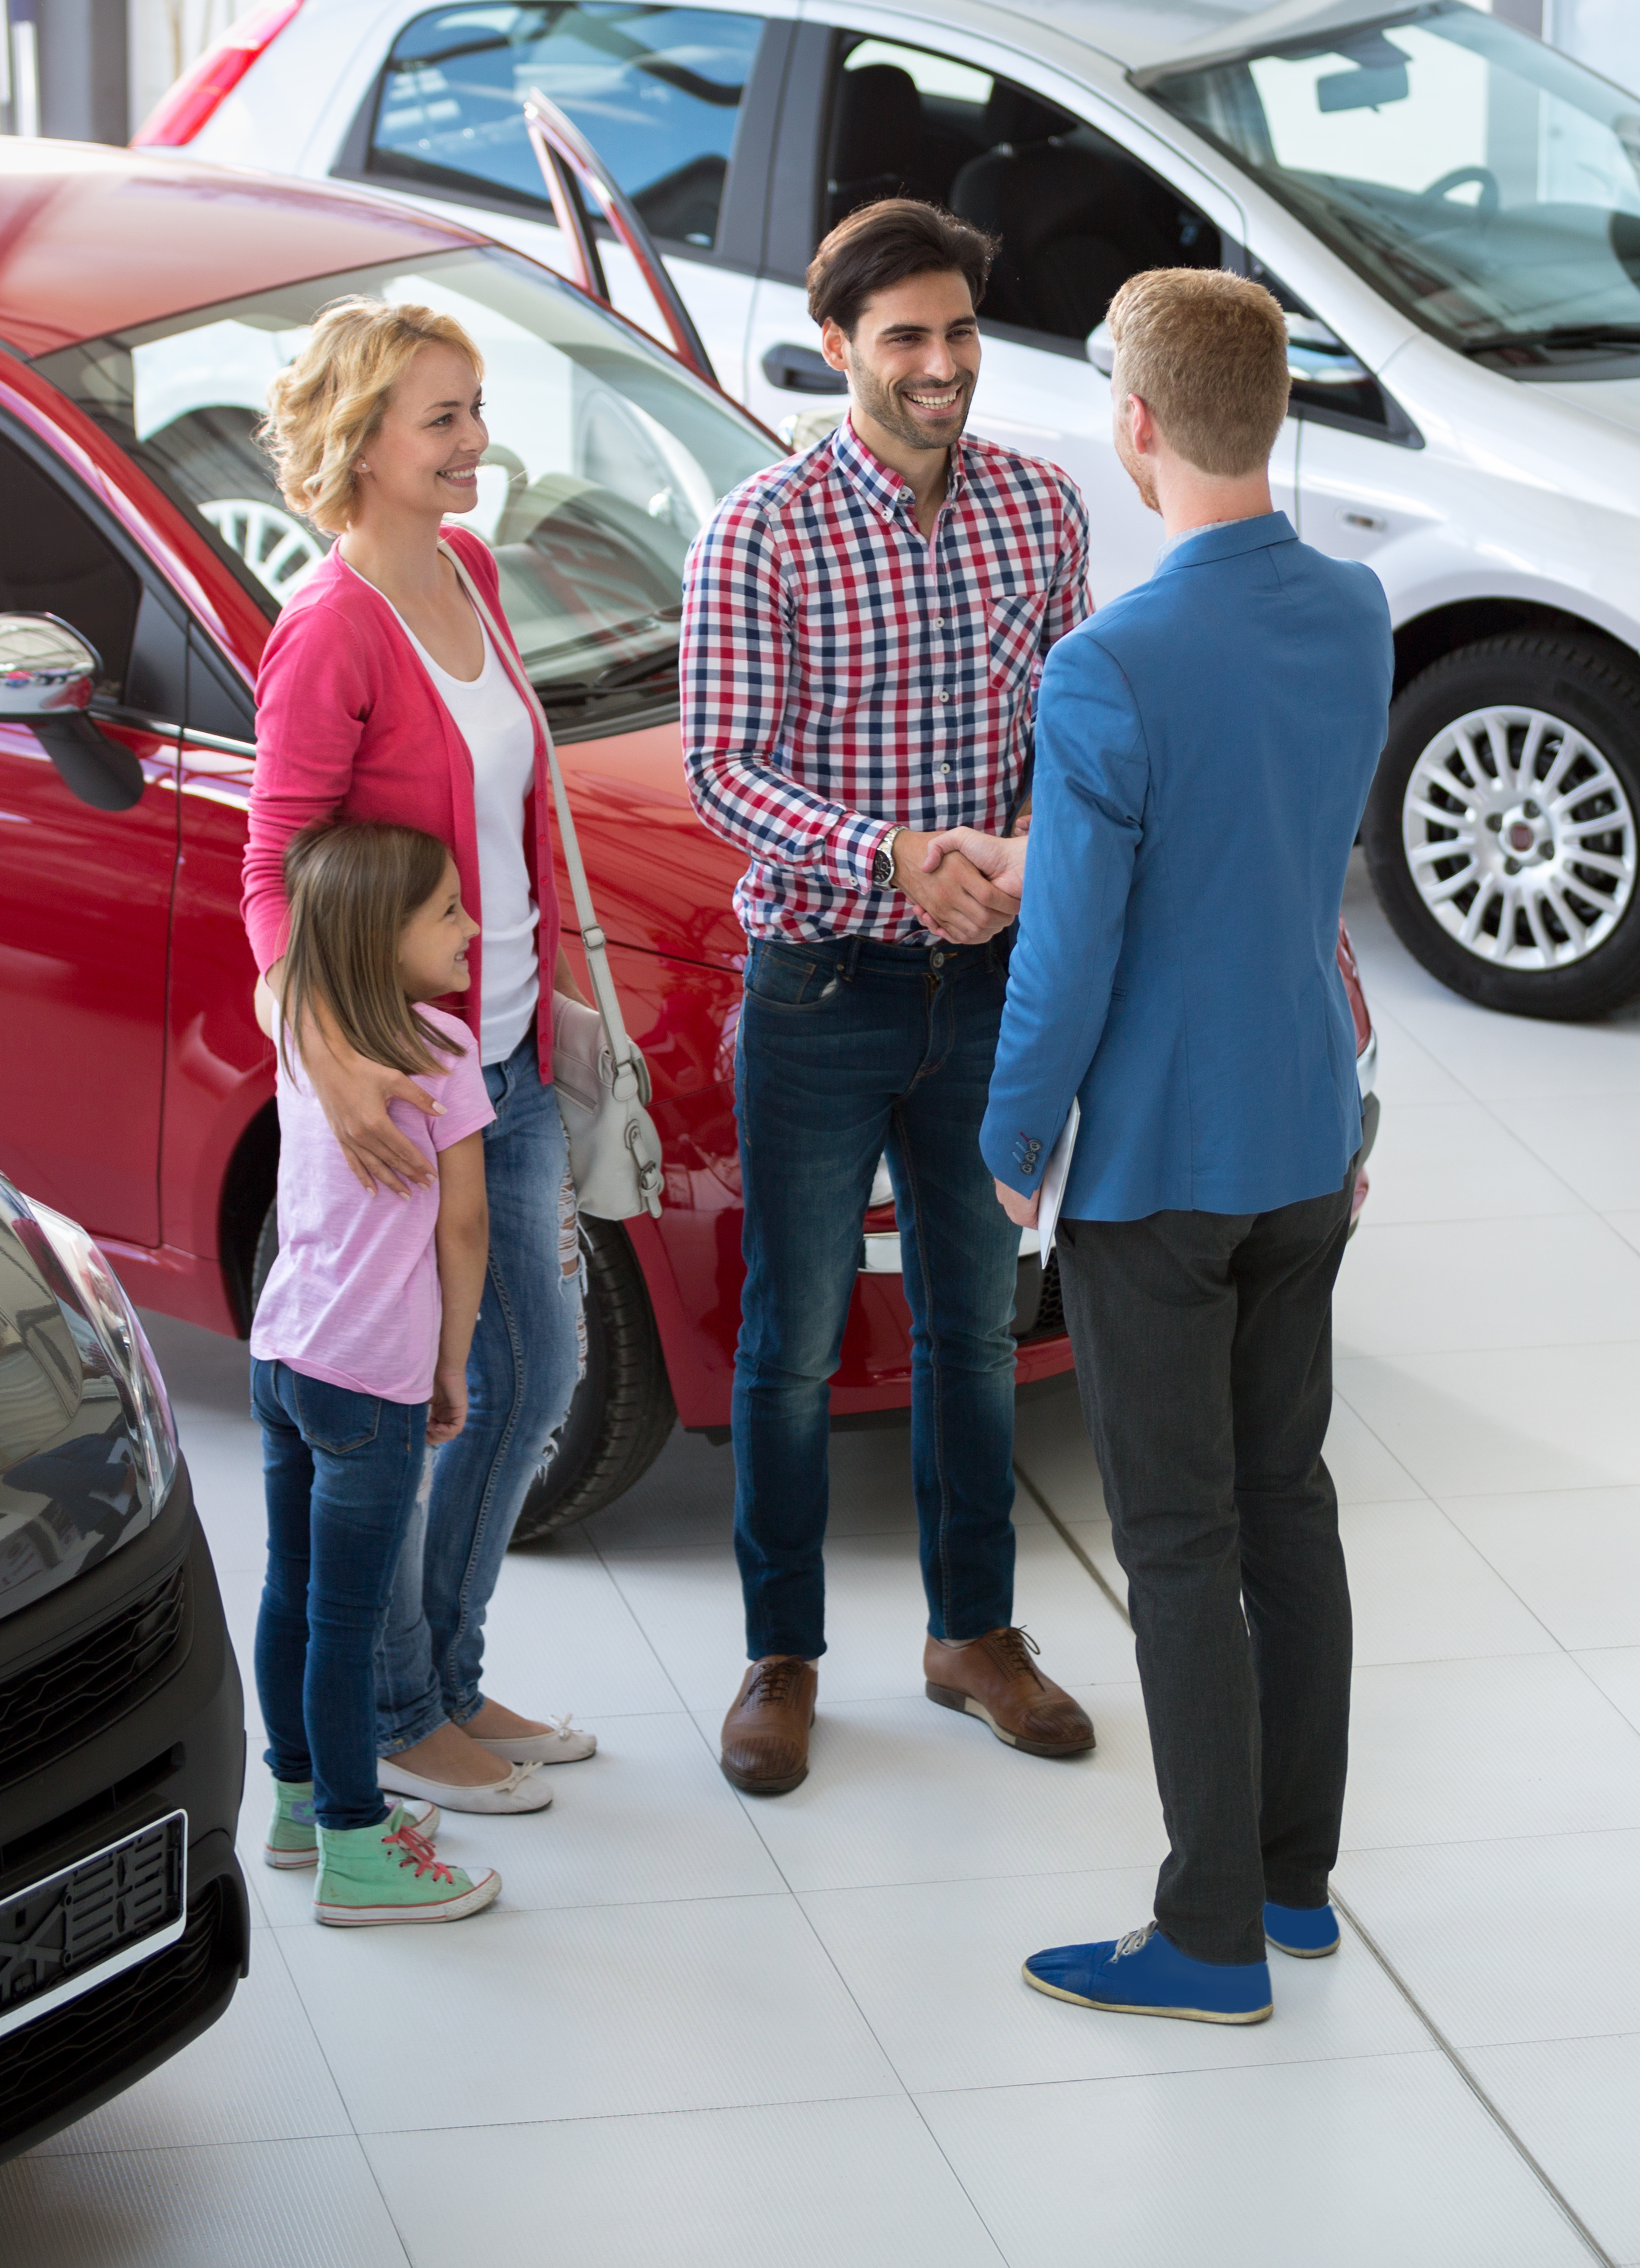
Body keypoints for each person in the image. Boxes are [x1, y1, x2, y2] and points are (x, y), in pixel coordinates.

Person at [962, 269, 1392, 2022]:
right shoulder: (1355, 607)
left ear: (1133, 425)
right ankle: (1292, 1882)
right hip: (1304, 1124)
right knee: (1289, 1502)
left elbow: (1067, 952)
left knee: (1182, 1539)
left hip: (1160, 1161)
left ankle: (1204, 1931)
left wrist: (1009, 1140)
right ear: (1267, 412)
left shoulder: (1108, 664)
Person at [674, 199, 1097, 1797]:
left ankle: (971, 1635)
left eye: (960, 333)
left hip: (990, 982)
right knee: (786, 1340)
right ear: (838, 343)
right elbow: (719, 767)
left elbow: (1074, 732)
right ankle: (781, 1653)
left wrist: (1026, 851)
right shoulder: (761, 531)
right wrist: (891, 851)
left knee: (973, 1327)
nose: (940, 366)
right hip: (821, 980)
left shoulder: (1039, 511)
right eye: (905, 337)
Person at [246, 297, 590, 1817]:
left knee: (531, 1369)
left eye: (476, 407)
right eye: (442, 418)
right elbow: (274, 871)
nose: (476, 441)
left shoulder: (468, 568)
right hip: (403, 1077)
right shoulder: (328, 632)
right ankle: (392, 1709)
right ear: (363, 443)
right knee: (404, 1400)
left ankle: (442, 1672)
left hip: (503, 1053)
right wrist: (326, 1056)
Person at [247, 821, 503, 1926]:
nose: (471, 925)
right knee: (347, 1620)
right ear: (379, 934)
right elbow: (468, 1226)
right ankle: (357, 1846)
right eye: (446, 909)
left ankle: (299, 1803)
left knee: (290, 1586)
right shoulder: (441, 1054)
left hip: (283, 1351)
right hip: (372, 1378)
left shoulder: (307, 1032)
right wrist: (451, 1364)